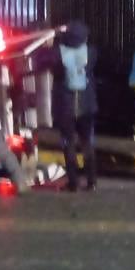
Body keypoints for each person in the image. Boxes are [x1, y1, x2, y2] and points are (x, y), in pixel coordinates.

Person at [45, 20, 99, 192]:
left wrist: (56, 36)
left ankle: (73, 182)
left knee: (68, 143)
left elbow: (45, 62)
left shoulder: (57, 53)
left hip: (65, 105)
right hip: (87, 104)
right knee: (87, 143)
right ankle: (92, 180)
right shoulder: (91, 52)